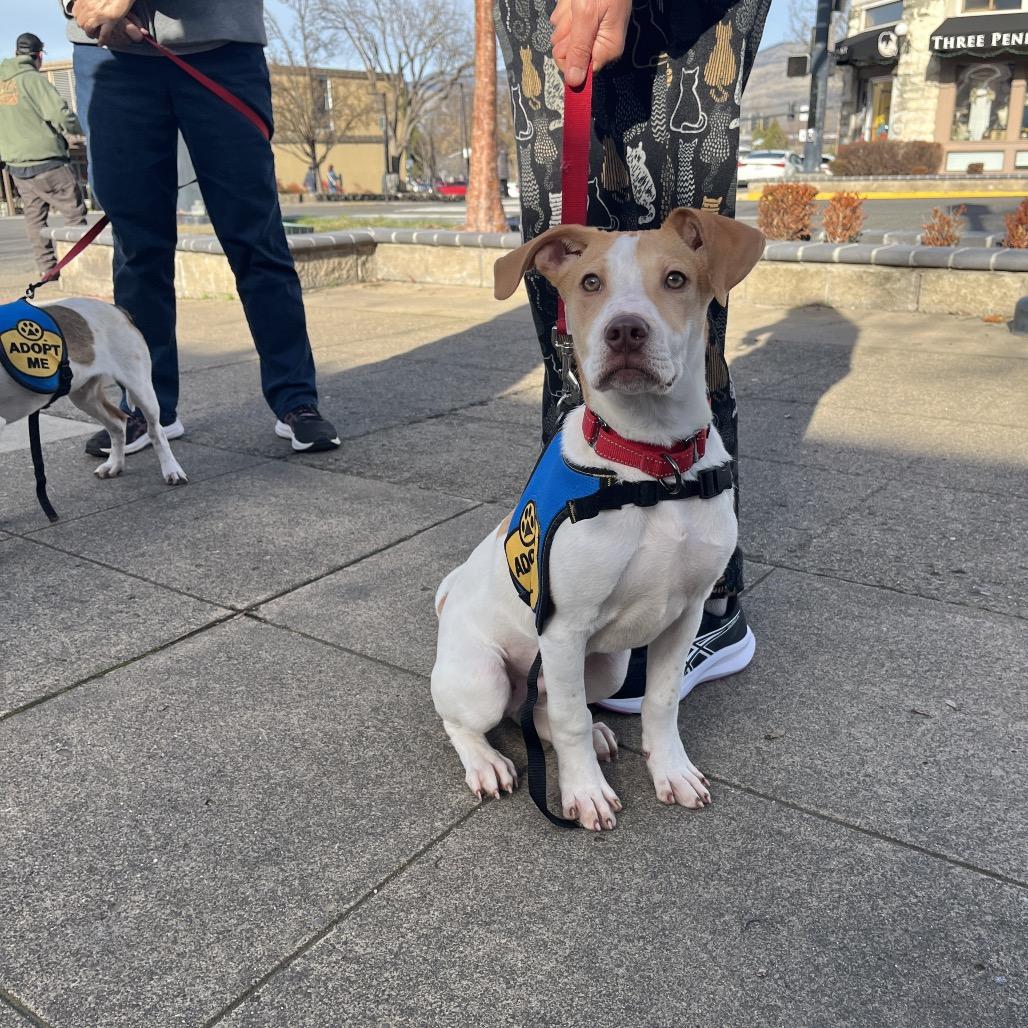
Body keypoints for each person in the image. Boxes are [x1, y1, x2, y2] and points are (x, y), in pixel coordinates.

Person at [495, 0, 771, 712]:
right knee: (577, 390)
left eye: (670, 282)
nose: (627, 323)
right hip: (542, 19)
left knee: (682, 162)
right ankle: (581, 578)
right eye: (594, 288)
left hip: (687, 18)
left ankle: (711, 604)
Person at [64, 0, 340, 455]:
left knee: (256, 238)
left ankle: (296, 399)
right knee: (136, 248)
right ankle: (148, 408)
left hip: (221, 46)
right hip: (108, 54)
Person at [0, 32, 87, 279]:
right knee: (73, 213)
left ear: (16, 53)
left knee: (35, 218)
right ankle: (77, 267)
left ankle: (47, 268)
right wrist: (80, 131)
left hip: (17, 165)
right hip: (47, 161)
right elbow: (58, 113)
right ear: (39, 56)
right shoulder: (32, 79)